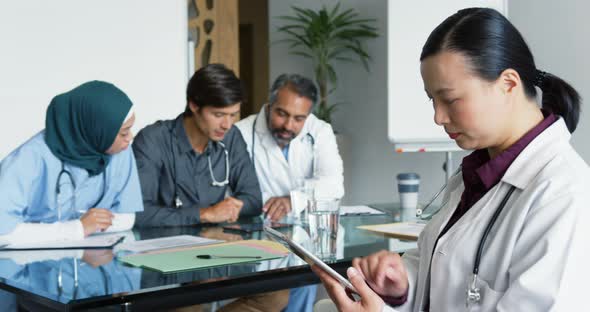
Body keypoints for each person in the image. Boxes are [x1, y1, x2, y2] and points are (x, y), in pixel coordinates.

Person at [313, 7, 590, 311]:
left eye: (451, 99)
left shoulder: (565, 194)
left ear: (508, 85)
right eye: (433, 100)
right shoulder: (475, 174)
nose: (438, 117)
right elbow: (443, 270)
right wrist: (402, 283)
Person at [0, 81, 143, 245]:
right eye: (124, 132)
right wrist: (77, 228)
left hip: (89, 262)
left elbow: (126, 219)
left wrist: (87, 226)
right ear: (96, 130)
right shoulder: (29, 159)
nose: (130, 138)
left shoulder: (120, 151)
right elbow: (3, 233)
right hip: (27, 266)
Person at [132, 64, 262, 226]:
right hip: (164, 246)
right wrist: (205, 214)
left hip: (215, 244)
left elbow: (254, 200)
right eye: (218, 114)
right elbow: (138, 214)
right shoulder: (153, 140)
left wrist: (229, 209)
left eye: (233, 115)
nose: (227, 125)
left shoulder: (231, 137)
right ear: (194, 105)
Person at [235, 73, 344, 222]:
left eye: (299, 118)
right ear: (269, 106)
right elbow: (236, 194)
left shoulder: (320, 130)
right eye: (282, 114)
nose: (288, 125)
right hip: (260, 228)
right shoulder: (240, 133)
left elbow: (334, 185)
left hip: (309, 232)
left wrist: (293, 200)